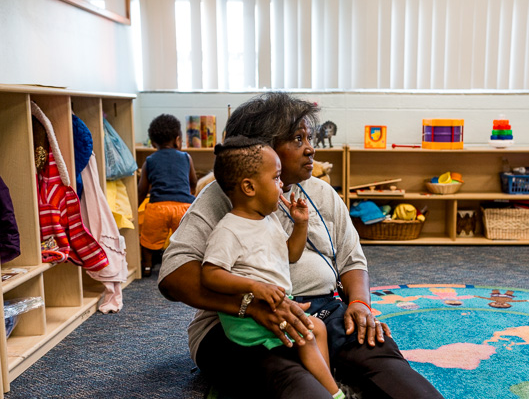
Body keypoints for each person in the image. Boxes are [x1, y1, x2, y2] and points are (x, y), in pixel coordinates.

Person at [158, 92, 444, 398]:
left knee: (383, 361)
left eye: (310, 137)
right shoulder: (223, 196)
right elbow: (174, 277)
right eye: (297, 139)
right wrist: (250, 306)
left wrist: (360, 304)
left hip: (323, 311)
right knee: (292, 380)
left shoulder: (321, 193)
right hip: (241, 323)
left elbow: (351, 262)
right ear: (260, 148)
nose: (310, 149)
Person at [201, 137, 344, 398]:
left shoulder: (268, 220)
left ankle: (325, 383)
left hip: (277, 303)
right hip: (248, 317)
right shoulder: (229, 230)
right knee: (309, 334)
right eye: (276, 178)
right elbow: (210, 275)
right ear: (249, 187)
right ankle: (335, 394)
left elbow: (290, 254)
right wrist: (255, 286)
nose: (282, 185)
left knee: (317, 329)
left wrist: (301, 224)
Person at [138, 114, 197, 277]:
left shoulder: (149, 161)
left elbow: (142, 189)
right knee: (186, 241)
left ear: (152, 142)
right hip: (183, 208)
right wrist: (188, 195)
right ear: (178, 140)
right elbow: (193, 181)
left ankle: (148, 266)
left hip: (158, 207)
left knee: (148, 239)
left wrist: (135, 207)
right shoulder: (186, 157)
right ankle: (187, 266)